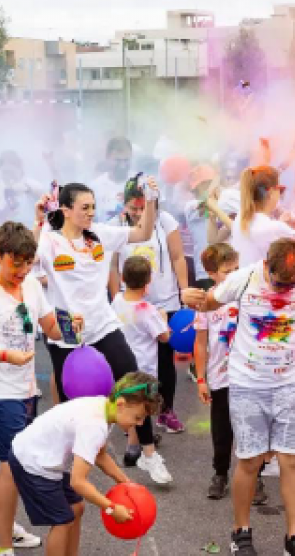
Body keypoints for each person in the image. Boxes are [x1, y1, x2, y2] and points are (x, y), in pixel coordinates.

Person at [183, 238, 295, 556]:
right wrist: (190, 296)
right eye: (278, 283)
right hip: (247, 384)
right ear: (266, 265)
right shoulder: (245, 277)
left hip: (288, 384)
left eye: (288, 285)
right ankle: (241, 532)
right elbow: (209, 303)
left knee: (291, 460)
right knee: (249, 460)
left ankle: (293, 536)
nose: (283, 290)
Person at [0, 221, 76, 555]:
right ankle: (2, 545)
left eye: (28, 262)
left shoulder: (33, 287)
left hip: (25, 392)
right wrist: (3, 354)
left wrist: (69, 326)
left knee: (19, 463)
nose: (23, 270)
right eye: (15, 262)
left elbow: (51, 329)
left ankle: (0, 527)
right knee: (13, 463)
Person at [7, 372, 160, 556]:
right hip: (32, 462)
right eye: (137, 417)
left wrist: (126, 483)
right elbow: (78, 482)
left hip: (42, 456)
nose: (140, 423)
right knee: (63, 521)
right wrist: (111, 508)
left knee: (76, 508)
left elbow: (100, 455)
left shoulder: (105, 407)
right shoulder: (94, 425)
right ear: (121, 404)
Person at [32, 182, 157, 403]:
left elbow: (143, 233)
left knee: (133, 384)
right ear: (66, 210)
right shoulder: (50, 240)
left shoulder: (100, 233)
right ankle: (71, 436)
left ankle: (140, 438)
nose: (91, 212)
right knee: (71, 397)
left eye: (93, 207)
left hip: (102, 324)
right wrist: (38, 221)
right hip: (67, 331)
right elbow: (29, 257)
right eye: (85, 207)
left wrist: (150, 199)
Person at [110, 175, 189, 435]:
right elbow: (111, 267)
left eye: (142, 208)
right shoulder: (116, 226)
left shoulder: (164, 221)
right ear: (125, 204)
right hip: (131, 303)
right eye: (133, 208)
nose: (138, 213)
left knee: (165, 359)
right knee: (131, 360)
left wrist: (184, 289)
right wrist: (114, 298)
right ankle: (131, 415)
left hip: (163, 299)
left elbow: (178, 256)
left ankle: (165, 411)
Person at [192, 243, 266, 504]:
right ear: (212, 274)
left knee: (252, 426)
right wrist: (201, 379)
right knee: (222, 429)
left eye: (237, 268)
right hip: (221, 376)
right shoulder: (206, 302)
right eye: (227, 271)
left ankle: (256, 478)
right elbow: (201, 343)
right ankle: (220, 473)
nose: (235, 275)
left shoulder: (248, 295)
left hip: (249, 374)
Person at [111, 255, 173, 485]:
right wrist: (164, 319)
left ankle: (132, 448)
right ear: (148, 284)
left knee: (132, 407)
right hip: (144, 369)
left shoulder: (117, 300)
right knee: (142, 410)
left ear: (124, 278)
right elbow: (164, 337)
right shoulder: (147, 309)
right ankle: (147, 455)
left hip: (121, 363)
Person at [230, 162, 295, 268]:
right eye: (280, 189)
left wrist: (282, 225)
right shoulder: (273, 228)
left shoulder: (241, 218)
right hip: (262, 284)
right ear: (271, 192)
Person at [91, 137, 133, 222]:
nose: (123, 166)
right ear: (107, 158)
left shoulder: (139, 183)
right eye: (118, 160)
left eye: (126, 160)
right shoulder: (95, 187)